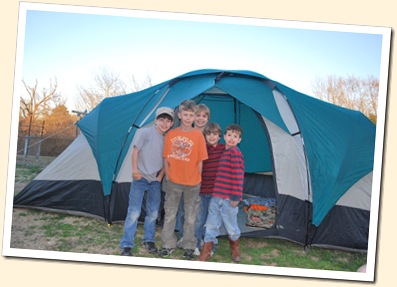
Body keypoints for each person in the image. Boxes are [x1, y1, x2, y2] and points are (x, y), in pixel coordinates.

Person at [120, 107, 174, 256]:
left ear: (171, 124)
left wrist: (160, 177)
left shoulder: (168, 139)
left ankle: (148, 239)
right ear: (156, 120)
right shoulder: (145, 132)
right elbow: (136, 151)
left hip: (155, 180)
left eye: (168, 121)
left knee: (153, 212)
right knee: (134, 212)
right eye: (162, 120)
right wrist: (134, 171)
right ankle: (126, 245)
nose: (164, 123)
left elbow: (166, 159)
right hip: (140, 178)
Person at [159, 100, 208, 259]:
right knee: (170, 214)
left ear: (194, 117)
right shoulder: (171, 134)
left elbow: (200, 160)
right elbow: (166, 158)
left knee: (190, 216)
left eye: (191, 115)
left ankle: (189, 245)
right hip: (173, 182)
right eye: (185, 114)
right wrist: (168, 176)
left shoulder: (198, 135)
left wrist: (198, 178)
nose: (188, 118)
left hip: (193, 184)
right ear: (179, 115)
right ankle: (168, 244)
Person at [197, 124, 244, 262]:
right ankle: (206, 252)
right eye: (229, 135)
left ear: (239, 140)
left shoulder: (235, 153)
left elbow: (238, 176)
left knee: (231, 226)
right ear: (224, 137)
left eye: (235, 137)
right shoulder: (224, 152)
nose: (231, 138)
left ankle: (235, 249)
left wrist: (236, 196)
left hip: (229, 198)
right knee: (211, 224)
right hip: (216, 196)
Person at [176, 103, 210, 248]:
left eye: (204, 116)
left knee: (201, 211)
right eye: (198, 115)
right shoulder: (187, 133)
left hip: (205, 179)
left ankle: (198, 237)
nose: (200, 119)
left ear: (208, 118)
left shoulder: (211, 134)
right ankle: (182, 236)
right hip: (187, 178)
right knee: (184, 209)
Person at [194, 122, 225, 256]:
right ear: (204, 135)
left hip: (217, 193)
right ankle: (196, 243)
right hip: (202, 191)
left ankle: (210, 246)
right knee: (200, 219)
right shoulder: (202, 148)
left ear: (219, 136)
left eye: (215, 134)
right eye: (208, 134)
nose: (212, 137)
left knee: (213, 221)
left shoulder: (225, 149)